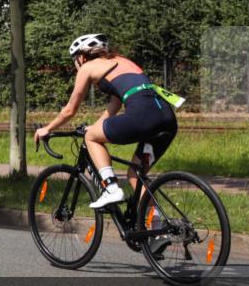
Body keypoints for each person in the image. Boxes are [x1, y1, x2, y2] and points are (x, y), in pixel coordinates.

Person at [35, 34, 179, 209]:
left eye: (75, 59)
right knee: (135, 175)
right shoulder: (122, 61)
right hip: (166, 116)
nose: (75, 64)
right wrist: (96, 127)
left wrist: (47, 128)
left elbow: (70, 110)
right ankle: (157, 226)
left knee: (90, 137)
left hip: (142, 116)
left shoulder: (87, 67)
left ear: (82, 56)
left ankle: (111, 188)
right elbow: (115, 104)